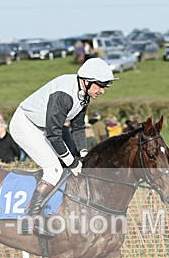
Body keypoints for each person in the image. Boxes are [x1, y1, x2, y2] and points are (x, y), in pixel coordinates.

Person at [8, 57, 116, 236]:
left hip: (45, 127)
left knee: (67, 164)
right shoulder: (64, 95)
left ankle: (54, 211)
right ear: (86, 81)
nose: (102, 91)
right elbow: (53, 135)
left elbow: (78, 127)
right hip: (25, 125)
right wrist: (72, 162)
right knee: (54, 169)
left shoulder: (84, 94)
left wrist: (83, 154)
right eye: (100, 85)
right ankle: (30, 219)